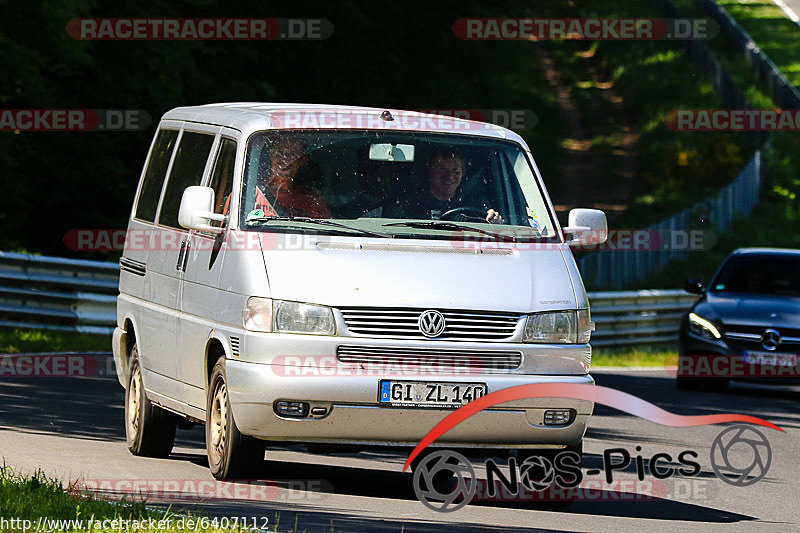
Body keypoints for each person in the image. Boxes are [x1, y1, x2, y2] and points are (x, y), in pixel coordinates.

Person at [386, 146, 502, 223]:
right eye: (442, 169)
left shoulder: (475, 203)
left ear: (463, 173)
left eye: (455, 170)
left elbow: (489, 225)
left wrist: (494, 220)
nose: (449, 176)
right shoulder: (409, 202)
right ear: (430, 171)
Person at [252, 137, 331, 219]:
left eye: (291, 155)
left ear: (302, 160)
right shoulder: (253, 192)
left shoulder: (313, 201)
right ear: (270, 155)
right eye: (279, 153)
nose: (284, 161)